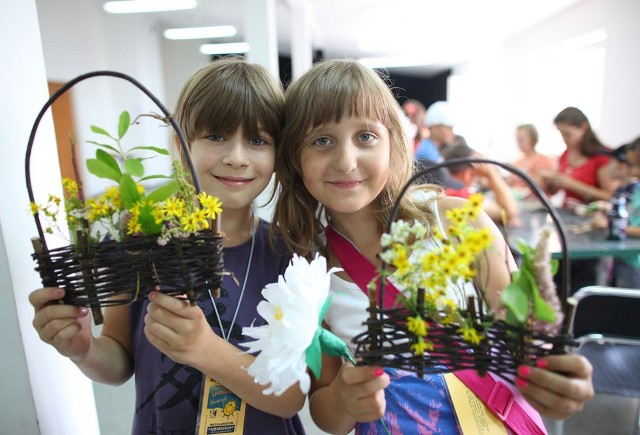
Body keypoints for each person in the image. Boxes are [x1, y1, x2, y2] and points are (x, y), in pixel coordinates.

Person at [272, 59, 594, 434]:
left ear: (394, 141)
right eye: (321, 140)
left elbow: (527, 343)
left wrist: (558, 380)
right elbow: (327, 412)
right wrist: (344, 399)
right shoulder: (309, 271)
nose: (346, 161)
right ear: (295, 157)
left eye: (365, 137)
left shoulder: (460, 222)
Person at [29, 58, 306, 434]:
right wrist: (84, 349)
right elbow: (119, 358)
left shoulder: (289, 256)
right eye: (216, 136)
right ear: (180, 144)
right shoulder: (138, 243)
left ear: (277, 154)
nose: (236, 157)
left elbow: (291, 397)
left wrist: (207, 351)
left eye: (257, 141)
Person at [541, 106, 618, 205]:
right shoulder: (566, 154)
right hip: (567, 213)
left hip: (591, 217)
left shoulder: (602, 156)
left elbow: (610, 196)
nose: (564, 139)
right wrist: (550, 181)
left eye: (568, 134)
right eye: (561, 134)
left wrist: (574, 185)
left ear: (584, 127)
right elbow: (554, 191)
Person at [441, 143, 519, 226]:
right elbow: (508, 212)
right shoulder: (464, 196)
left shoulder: (445, 192)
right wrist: (491, 173)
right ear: (468, 174)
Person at [507, 123, 556, 195]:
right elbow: (509, 184)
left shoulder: (544, 160)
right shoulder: (518, 161)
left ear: (532, 139)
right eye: (517, 140)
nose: (518, 143)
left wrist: (524, 173)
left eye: (521, 140)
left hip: (536, 201)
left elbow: (545, 186)